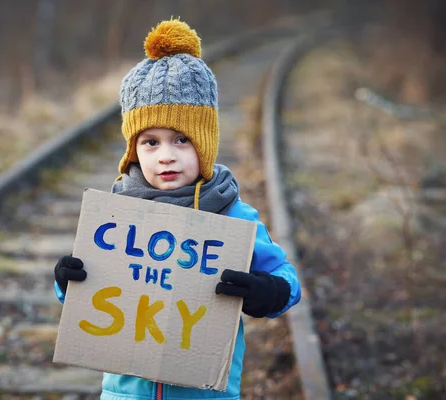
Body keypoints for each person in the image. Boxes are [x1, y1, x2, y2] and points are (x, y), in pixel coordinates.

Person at [53, 18, 301, 400]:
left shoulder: (233, 217)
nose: (166, 157)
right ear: (132, 148)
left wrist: (265, 291)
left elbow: (287, 280)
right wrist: (66, 281)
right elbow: (90, 296)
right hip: (125, 394)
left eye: (181, 140)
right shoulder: (116, 216)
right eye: (150, 142)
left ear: (204, 142)